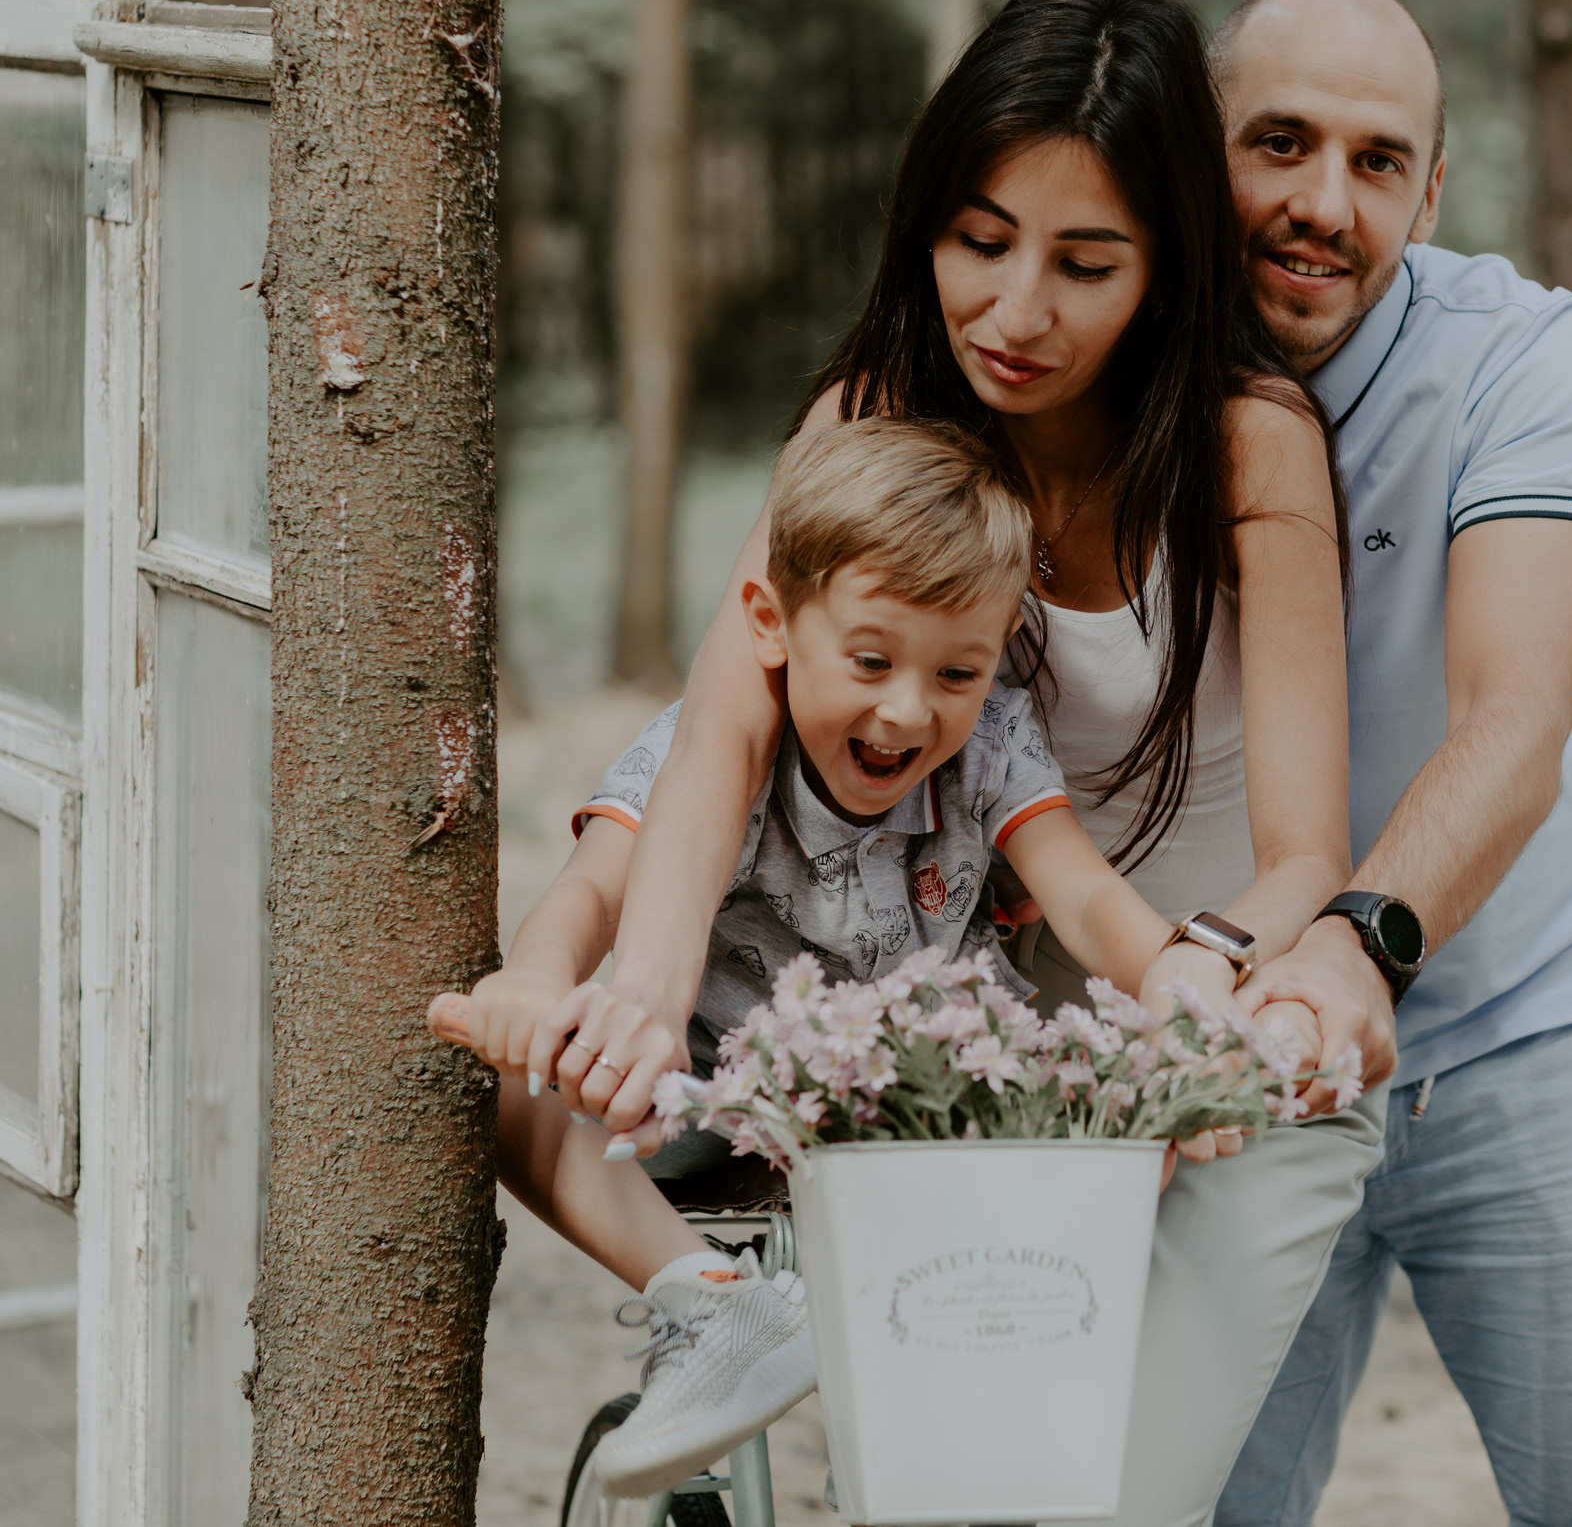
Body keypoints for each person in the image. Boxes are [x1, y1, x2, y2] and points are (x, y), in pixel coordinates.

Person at [518, 0, 1380, 1527]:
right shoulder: (877, 413)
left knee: (1106, 1493)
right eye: (980, 241)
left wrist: (1192, 980)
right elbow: (725, 717)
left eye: (1085, 262)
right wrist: (643, 980)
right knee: (938, 1477)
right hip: (974, 1036)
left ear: (1168, 262)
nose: (1016, 309)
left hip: (1200, 1009)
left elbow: (1308, 848)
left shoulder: (1249, 441)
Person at [463, 416, 1318, 1496]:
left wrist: (1180, 987)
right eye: (870, 660)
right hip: (707, 1098)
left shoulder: (994, 747)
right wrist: (536, 985)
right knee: (501, 1084)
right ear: (771, 623)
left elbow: (1088, 901)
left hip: (913, 1115)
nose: (908, 709)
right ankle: (713, 1302)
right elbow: (591, 889)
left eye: (957, 672)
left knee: (961, 1408)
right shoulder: (718, 749)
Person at [1197, 0, 1572, 1527]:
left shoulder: (1523, 356)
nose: (1324, 202)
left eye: (1378, 162)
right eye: (1280, 142)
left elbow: (1518, 713)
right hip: (1219, 1061)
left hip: (1522, 1032)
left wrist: (1362, 942)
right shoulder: (1103, 354)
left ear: (1431, 192)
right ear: (1197, 145)